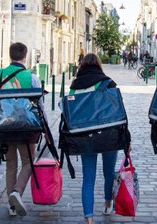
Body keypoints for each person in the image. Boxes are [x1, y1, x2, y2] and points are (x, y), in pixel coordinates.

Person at [0, 42, 43, 217]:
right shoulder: (31, 77)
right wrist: (44, 128)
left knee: (11, 164)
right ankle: (17, 193)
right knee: (28, 161)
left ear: (10, 55)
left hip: (4, 125)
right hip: (25, 127)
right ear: (25, 56)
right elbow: (40, 105)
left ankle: (11, 207)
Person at [69, 53, 119, 224]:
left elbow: (70, 112)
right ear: (99, 65)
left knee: (88, 178)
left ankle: (89, 218)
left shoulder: (75, 85)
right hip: (109, 134)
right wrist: (126, 139)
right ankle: (107, 203)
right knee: (109, 173)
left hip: (85, 135)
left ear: (82, 65)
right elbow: (119, 111)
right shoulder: (109, 83)